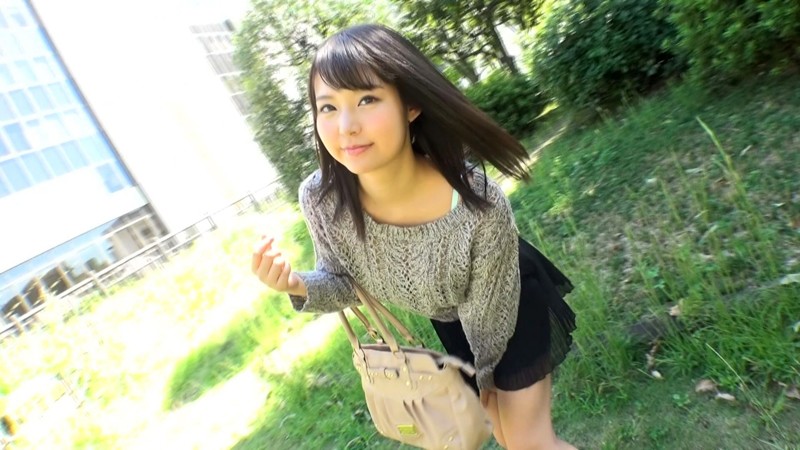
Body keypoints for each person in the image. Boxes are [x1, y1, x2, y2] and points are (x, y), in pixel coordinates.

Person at [251, 24, 578, 450]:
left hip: (508, 304)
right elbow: (345, 281)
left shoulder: (477, 204)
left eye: (367, 100)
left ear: (411, 105)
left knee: (529, 442)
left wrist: (477, 382)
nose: (346, 126)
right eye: (327, 107)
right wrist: (295, 284)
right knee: (505, 434)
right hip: (450, 317)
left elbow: (489, 318)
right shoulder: (321, 199)